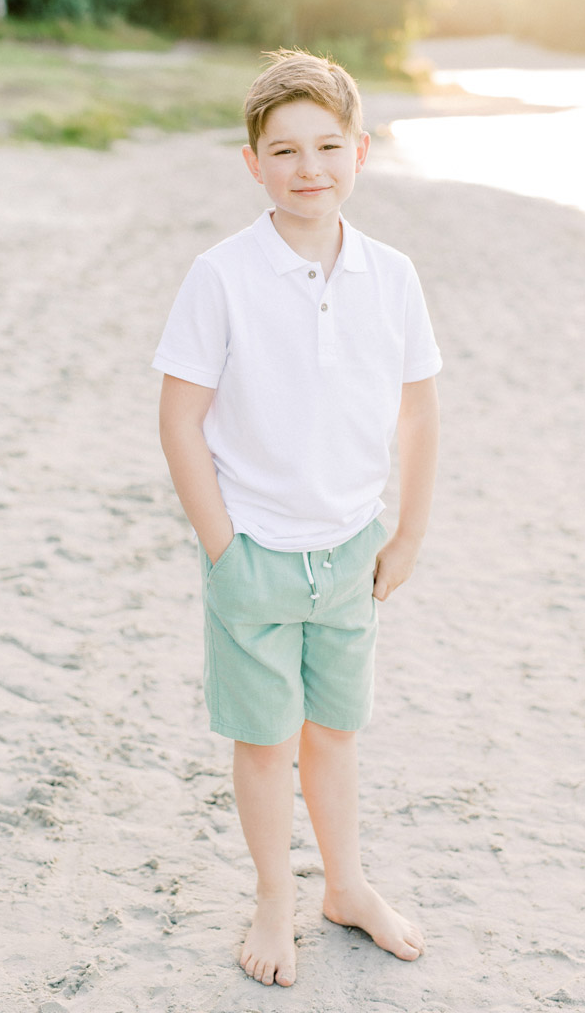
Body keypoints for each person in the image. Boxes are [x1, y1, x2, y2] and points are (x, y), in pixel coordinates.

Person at [154, 49, 441, 987]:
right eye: (284, 150)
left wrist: (407, 534)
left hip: (352, 547)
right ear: (253, 164)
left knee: (336, 732)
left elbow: (418, 410)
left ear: (360, 151)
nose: (308, 167)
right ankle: (276, 897)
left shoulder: (392, 274)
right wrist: (223, 547)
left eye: (327, 145)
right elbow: (180, 417)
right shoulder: (222, 274)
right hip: (256, 551)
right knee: (266, 740)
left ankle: (346, 886)